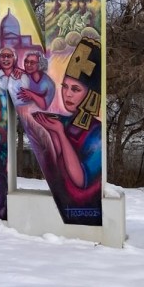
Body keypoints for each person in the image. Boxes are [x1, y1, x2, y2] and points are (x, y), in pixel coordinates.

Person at [33, 37, 103, 210]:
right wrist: (52, 131)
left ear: (90, 94)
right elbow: (57, 165)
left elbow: (80, 179)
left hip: (84, 209)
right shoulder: (64, 121)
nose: (68, 94)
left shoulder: (96, 133)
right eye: (65, 87)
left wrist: (60, 133)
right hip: (64, 204)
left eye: (76, 89)